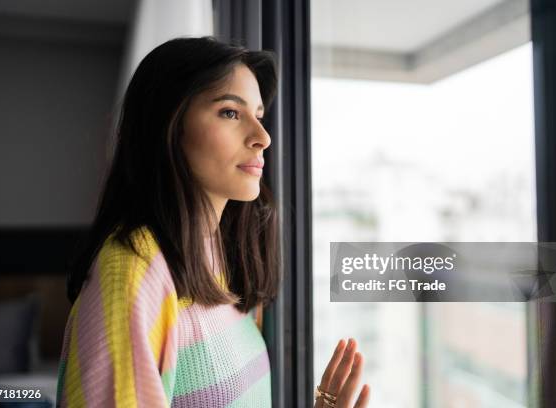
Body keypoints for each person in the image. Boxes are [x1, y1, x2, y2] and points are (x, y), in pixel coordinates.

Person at [55, 36, 370, 408]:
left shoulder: (226, 261)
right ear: (168, 127)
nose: (262, 137)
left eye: (259, 115)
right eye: (230, 113)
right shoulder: (134, 271)